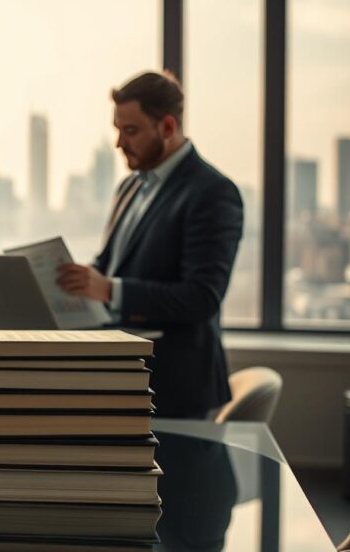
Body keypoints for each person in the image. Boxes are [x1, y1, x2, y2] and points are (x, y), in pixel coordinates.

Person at [57, 71, 244, 419]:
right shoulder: (129, 188)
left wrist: (110, 290)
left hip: (176, 388)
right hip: (122, 378)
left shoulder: (212, 193)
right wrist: (77, 279)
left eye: (130, 131)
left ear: (168, 127)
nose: (118, 143)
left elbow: (202, 297)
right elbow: (111, 265)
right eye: (117, 129)